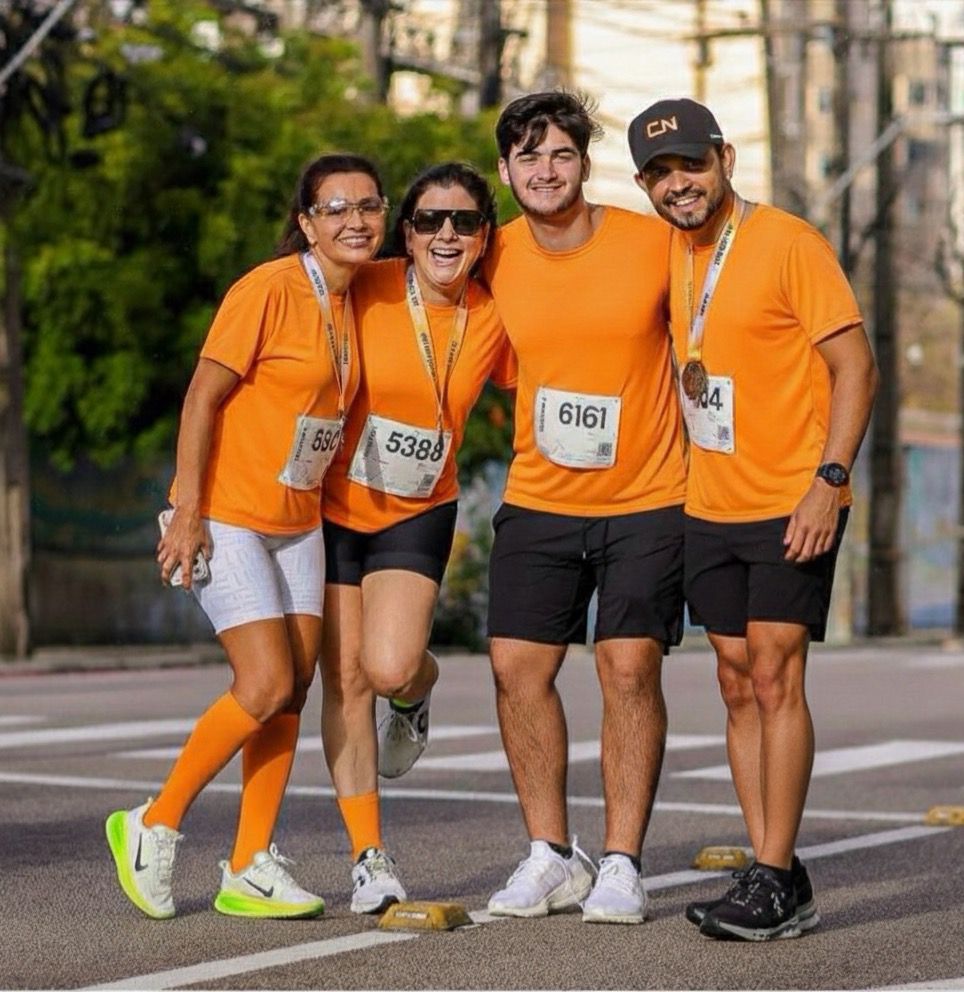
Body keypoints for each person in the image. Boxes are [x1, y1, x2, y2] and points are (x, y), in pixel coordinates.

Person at [105, 153, 388, 920]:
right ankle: (153, 822)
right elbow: (202, 396)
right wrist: (188, 509)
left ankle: (248, 863)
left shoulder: (358, 296)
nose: (355, 220)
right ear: (306, 223)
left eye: (369, 205)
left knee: (292, 688)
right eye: (336, 208)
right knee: (263, 682)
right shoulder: (267, 288)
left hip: (298, 521)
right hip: (226, 513)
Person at [629, 97, 878, 941]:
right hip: (710, 501)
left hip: (792, 499)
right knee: (735, 678)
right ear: (645, 186)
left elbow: (856, 366)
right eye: (660, 174)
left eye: (691, 165)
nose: (678, 185)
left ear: (725, 159)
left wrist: (829, 481)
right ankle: (780, 874)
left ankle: (771, 873)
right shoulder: (665, 253)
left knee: (775, 673)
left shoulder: (789, 243)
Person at [483, 91, 688, 925]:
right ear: (506, 171)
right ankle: (549, 853)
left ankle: (622, 862)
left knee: (629, 667)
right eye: (528, 156)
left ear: (584, 162)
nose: (545, 170)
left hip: (649, 495)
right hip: (539, 496)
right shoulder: (491, 253)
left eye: (561, 153)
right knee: (515, 669)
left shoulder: (651, 243)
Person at [318, 162, 514, 914]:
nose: (446, 235)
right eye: (430, 220)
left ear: (483, 236)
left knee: (391, 666)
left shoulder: (495, 314)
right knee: (346, 680)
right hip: (334, 504)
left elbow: (559, 367)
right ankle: (368, 856)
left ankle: (418, 692)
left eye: (464, 222)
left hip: (419, 506)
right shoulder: (366, 284)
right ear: (407, 231)